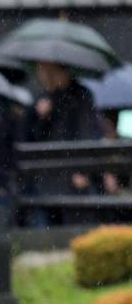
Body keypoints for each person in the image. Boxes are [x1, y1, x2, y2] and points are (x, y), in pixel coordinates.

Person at [23, 62, 104, 225]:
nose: (44, 76)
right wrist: (39, 116)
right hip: (47, 177)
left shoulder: (81, 95)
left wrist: (83, 169)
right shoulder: (43, 99)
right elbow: (31, 137)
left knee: (75, 222)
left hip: (72, 176)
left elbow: (87, 132)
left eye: (47, 71)